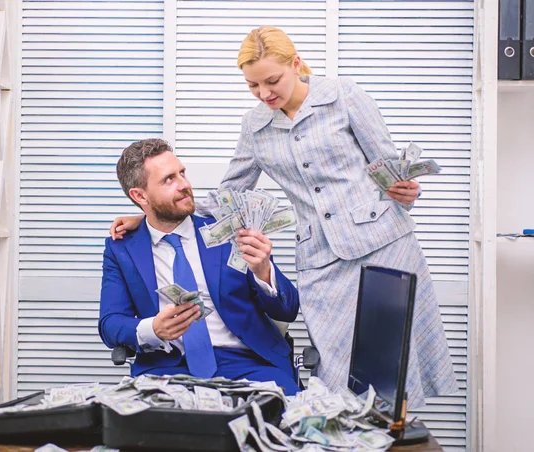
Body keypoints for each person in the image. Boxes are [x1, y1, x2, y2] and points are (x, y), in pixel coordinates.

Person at [108, 27, 458, 407]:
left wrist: (406, 189)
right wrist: (148, 218)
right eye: (253, 85)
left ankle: (386, 441)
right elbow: (230, 194)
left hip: (385, 242)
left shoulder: (344, 96)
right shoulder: (255, 127)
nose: (264, 94)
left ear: (295, 64)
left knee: (391, 362)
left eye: (272, 81)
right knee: (337, 376)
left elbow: (388, 167)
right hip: (321, 260)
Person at [99, 138, 301, 395]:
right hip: (166, 369)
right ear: (140, 196)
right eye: (168, 180)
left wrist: (263, 271)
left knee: (283, 419)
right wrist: (153, 329)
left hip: (248, 364)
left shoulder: (229, 231)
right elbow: (110, 324)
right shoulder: (121, 249)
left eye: (182, 173)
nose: (184, 185)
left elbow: (288, 310)